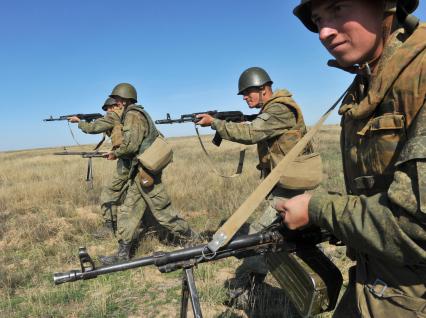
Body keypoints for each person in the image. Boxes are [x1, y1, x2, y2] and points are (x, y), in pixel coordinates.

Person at [276, 1, 426, 316]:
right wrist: (320, 222)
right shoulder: (366, 85)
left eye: (339, 8)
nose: (324, 32)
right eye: (318, 19)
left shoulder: (420, 74)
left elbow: (415, 229)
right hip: (378, 280)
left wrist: (318, 208)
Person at [196, 67, 315, 307]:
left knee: (258, 238)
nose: (244, 98)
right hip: (286, 185)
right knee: (273, 238)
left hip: (289, 189)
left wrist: (216, 123)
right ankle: (253, 286)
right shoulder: (271, 110)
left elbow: (252, 133)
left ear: (264, 89)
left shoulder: (280, 108)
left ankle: (243, 290)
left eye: (248, 93)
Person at [99, 83, 196, 265]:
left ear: (126, 100)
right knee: (128, 211)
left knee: (163, 213)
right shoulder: (131, 114)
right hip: (139, 172)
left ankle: (194, 240)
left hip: (146, 174)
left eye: (118, 99)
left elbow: (131, 146)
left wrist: (115, 153)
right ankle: (122, 254)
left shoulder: (134, 116)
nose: (116, 103)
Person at [68, 97, 124, 234]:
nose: (107, 112)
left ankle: (109, 226)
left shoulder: (113, 116)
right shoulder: (126, 116)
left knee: (109, 193)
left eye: (107, 109)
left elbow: (92, 128)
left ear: (113, 106)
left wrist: (79, 122)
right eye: (105, 110)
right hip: (136, 158)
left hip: (129, 161)